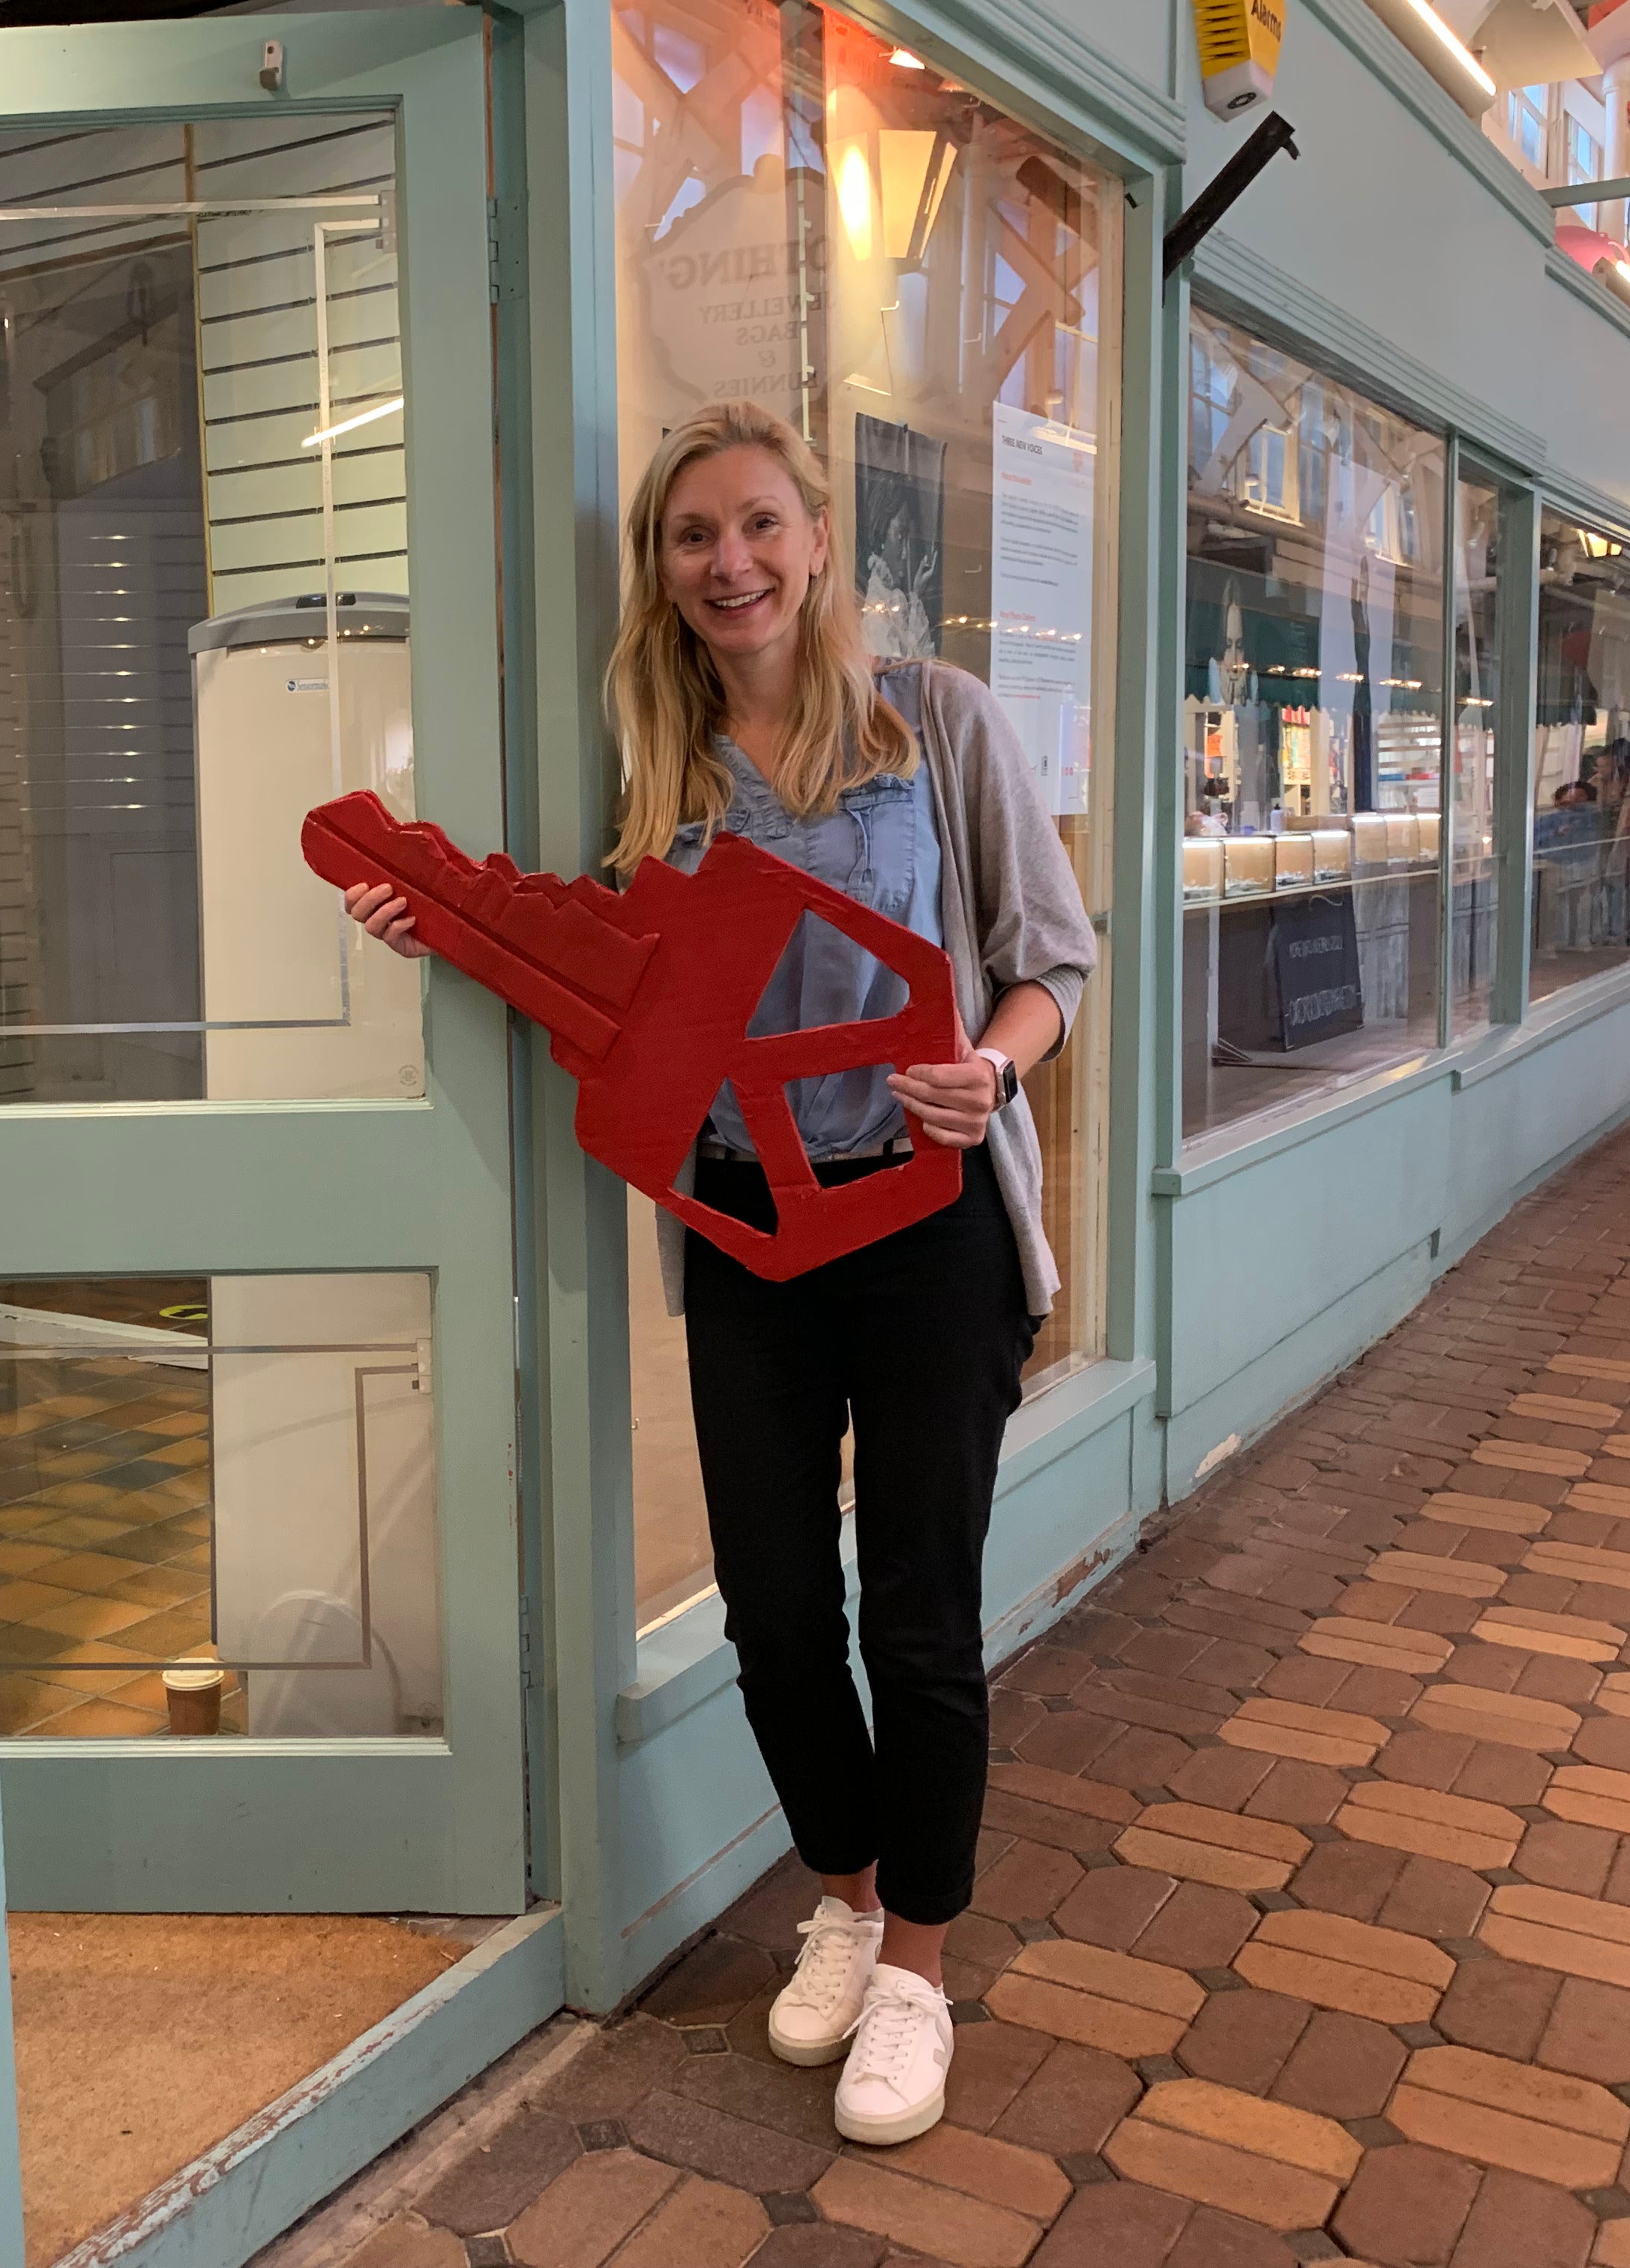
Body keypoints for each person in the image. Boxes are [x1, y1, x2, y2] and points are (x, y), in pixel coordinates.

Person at [341, 401, 1095, 2148]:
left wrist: (992, 1065)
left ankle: (917, 1961)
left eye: (760, 526)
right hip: (756, 1228)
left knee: (916, 1609)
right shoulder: (656, 775)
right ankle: (841, 1891)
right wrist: (432, 927)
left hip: (927, 1225)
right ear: (662, 571)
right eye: (696, 538)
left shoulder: (942, 728)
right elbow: (609, 998)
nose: (732, 564)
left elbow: (1052, 957)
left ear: (819, 540)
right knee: (771, 1607)